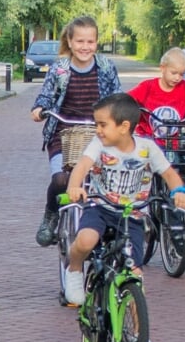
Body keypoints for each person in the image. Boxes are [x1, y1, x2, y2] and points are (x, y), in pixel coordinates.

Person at [63, 92, 185, 342]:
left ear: (124, 126)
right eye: (96, 124)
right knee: (85, 241)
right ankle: (74, 270)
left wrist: (178, 190)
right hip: (100, 208)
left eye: (102, 124)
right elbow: (82, 167)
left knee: (135, 275)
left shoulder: (147, 148)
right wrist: (75, 186)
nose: (97, 130)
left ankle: (140, 337)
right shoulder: (98, 146)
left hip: (131, 216)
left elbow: (168, 173)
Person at [29, 15, 122, 248]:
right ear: (70, 42)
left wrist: (122, 116)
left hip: (98, 135)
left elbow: (117, 97)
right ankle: (51, 214)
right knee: (62, 179)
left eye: (90, 42)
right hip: (64, 133)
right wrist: (40, 109)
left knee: (106, 183)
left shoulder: (106, 67)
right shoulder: (59, 69)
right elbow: (46, 96)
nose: (85, 47)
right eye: (80, 41)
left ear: (97, 43)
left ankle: (108, 223)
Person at [127, 47, 185, 138]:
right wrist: (129, 106)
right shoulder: (148, 87)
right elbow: (128, 98)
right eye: (174, 73)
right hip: (148, 137)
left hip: (172, 140)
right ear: (162, 68)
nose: (177, 78)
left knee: (181, 150)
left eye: (182, 74)